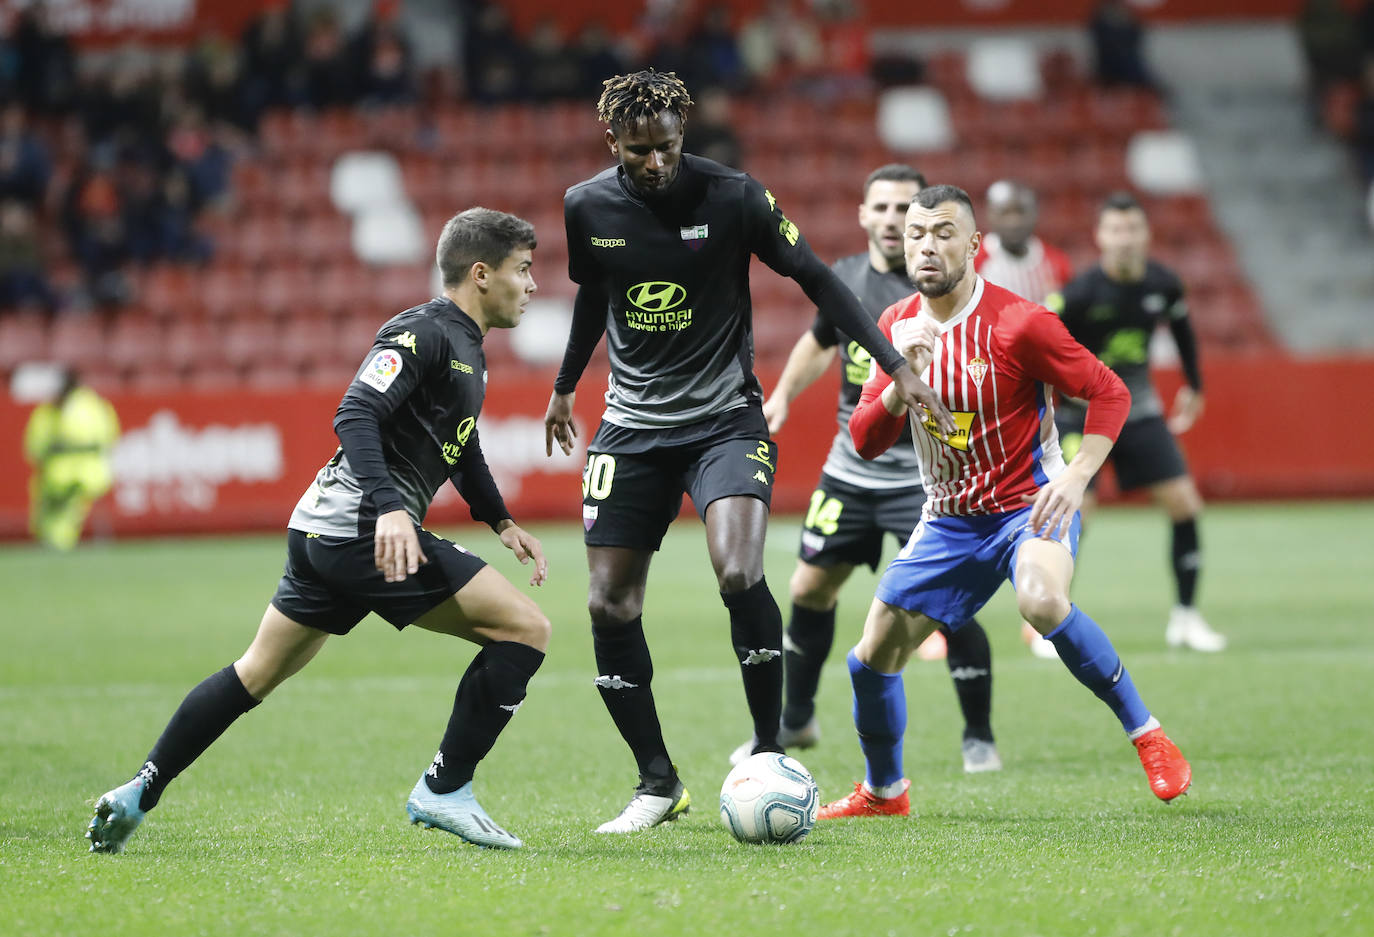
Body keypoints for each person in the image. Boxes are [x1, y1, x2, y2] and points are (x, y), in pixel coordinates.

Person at [543, 70, 953, 834]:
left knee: (738, 570)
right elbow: (593, 294)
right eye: (639, 152)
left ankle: (769, 746)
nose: (657, 164)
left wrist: (896, 364)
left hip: (726, 419)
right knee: (607, 601)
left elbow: (819, 280)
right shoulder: (586, 206)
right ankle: (657, 780)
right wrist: (567, 383)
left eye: (667, 147)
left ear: (682, 136)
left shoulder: (734, 196)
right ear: (613, 145)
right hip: (631, 426)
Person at [87, 208, 551, 854]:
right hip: (360, 529)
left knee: (255, 672)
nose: (532, 284)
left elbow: (460, 447)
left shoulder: (468, 348)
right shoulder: (423, 333)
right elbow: (356, 411)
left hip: (323, 531)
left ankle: (139, 789)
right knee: (525, 628)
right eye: (522, 270)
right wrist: (390, 508)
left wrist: (499, 518)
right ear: (481, 274)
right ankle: (446, 787)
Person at [817, 184, 1191, 820]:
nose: (927, 246)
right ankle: (884, 792)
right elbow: (864, 439)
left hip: (1030, 506)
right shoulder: (893, 326)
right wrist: (895, 386)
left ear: (973, 244)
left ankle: (1149, 735)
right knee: (869, 657)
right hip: (950, 519)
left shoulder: (1021, 322)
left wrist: (1076, 476)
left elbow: (1109, 393)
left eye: (942, 233)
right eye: (915, 235)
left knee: (1041, 600)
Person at [730, 164, 1000, 775]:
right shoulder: (845, 279)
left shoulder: (945, 286)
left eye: (902, 209)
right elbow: (820, 340)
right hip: (850, 469)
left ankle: (978, 735)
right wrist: (781, 397)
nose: (889, 219)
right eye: (879, 208)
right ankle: (794, 720)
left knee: (951, 607)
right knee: (807, 587)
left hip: (926, 478)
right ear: (863, 215)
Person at [1048, 192, 1224, 653]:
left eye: (1132, 230)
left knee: (1185, 503)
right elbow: (1048, 350)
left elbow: (1183, 331)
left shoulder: (1164, 283)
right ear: (1100, 237)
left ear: (1145, 235)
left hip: (1139, 408)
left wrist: (1195, 384)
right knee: (1076, 512)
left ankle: (1186, 618)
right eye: (1116, 230)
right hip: (1083, 414)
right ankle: (1054, 620)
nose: (1124, 239)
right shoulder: (1079, 294)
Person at [974, 179, 1076, 659]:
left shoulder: (1055, 264)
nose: (1013, 220)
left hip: (1040, 409)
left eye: (1021, 210)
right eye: (1004, 211)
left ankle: (1043, 611)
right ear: (990, 218)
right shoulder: (975, 264)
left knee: (1053, 504)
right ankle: (944, 621)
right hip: (976, 409)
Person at [23, 366, 120, 550]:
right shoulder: (48, 411)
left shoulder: (93, 406)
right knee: (48, 491)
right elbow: (34, 448)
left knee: (69, 496)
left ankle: (59, 540)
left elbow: (107, 441)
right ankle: (55, 538)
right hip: (57, 472)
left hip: (86, 471)